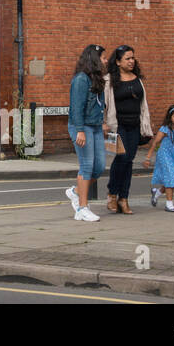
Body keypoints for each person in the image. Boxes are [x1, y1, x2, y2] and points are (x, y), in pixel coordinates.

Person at [103, 45, 152, 215]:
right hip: (117, 126)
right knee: (122, 157)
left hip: (135, 125)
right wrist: (103, 123)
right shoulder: (109, 80)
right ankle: (112, 194)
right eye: (127, 59)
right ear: (117, 62)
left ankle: (123, 198)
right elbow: (104, 104)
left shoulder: (137, 78)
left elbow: (142, 104)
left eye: (133, 58)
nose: (131, 61)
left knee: (129, 160)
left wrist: (145, 124)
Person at [65, 43, 107, 222]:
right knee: (87, 166)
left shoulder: (96, 79)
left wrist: (102, 122)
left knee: (99, 167)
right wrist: (80, 131)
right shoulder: (81, 79)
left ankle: (75, 191)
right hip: (81, 126)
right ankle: (82, 208)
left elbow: (97, 105)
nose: (106, 60)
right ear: (95, 59)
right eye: (103, 57)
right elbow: (76, 107)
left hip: (95, 126)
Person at [143, 104, 174, 212]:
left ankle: (157, 193)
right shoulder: (165, 129)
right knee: (171, 178)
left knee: (171, 180)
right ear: (170, 118)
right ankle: (169, 204)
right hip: (165, 155)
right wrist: (148, 158)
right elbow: (155, 143)